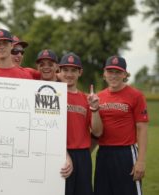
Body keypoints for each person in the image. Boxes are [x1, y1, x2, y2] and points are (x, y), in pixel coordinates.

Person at [94, 56, 148, 195]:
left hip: (126, 154)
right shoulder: (98, 97)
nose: (113, 76)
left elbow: (142, 129)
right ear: (104, 73)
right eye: (110, 71)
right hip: (104, 154)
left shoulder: (136, 95)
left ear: (125, 74)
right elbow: (95, 132)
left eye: (118, 72)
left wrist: (141, 161)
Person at [56, 52, 103, 195]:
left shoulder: (86, 99)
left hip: (83, 156)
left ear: (80, 72)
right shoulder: (52, 94)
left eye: (73, 70)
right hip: (59, 153)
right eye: (65, 70)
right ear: (59, 71)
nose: (69, 74)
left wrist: (94, 109)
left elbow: (98, 132)